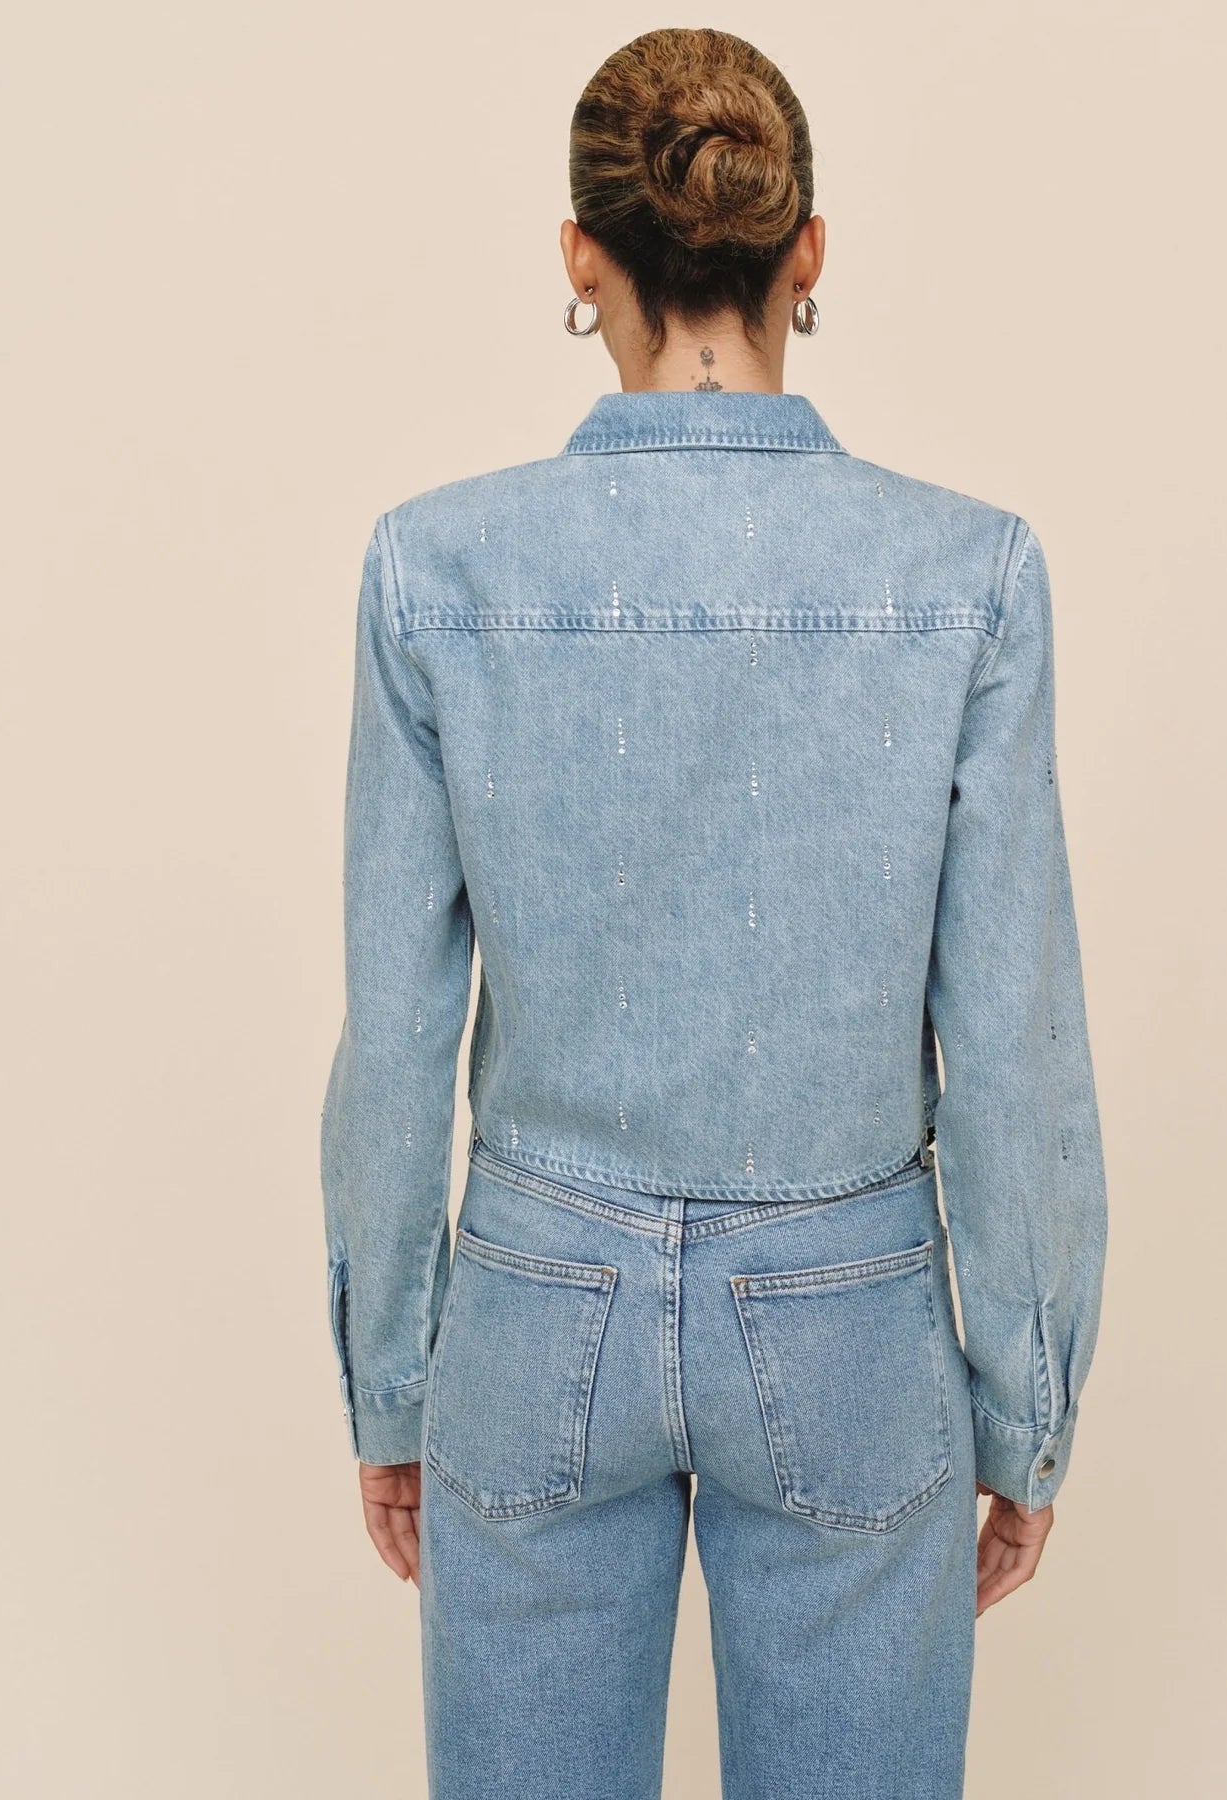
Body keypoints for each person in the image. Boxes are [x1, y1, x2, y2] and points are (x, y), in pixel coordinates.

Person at [319, 26, 1108, 1800]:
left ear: (579, 254)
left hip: (534, 1309)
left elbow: (394, 1031)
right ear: (804, 249)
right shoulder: (969, 577)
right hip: (853, 1321)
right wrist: (1028, 1400)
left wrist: (391, 1386)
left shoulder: (434, 570)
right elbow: (1010, 1038)